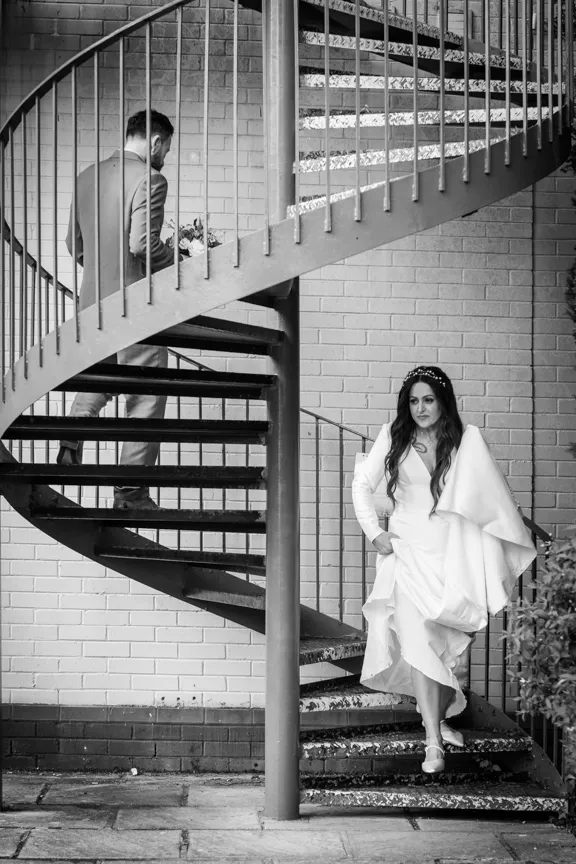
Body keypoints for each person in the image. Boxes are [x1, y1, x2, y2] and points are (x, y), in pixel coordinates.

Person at [352, 366, 536, 774]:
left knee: (441, 643)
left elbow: (488, 495)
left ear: (443, 401)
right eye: (414, 400)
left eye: (428, 400)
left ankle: (437, 719)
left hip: (449, 554)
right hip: (406, 553)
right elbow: (361, 486)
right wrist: (373, 533)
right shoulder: (393, 437)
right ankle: (434, 742)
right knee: (417, 643)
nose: (420, 408)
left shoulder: (464, 441)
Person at [58, 109, 179, 511]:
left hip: (92, 305)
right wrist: (181, 262)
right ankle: (130, 495)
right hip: (135, 308)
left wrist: (100, 274)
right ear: (156, 141)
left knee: (98, 377)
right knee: (146, 396)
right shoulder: (150, 178)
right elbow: (143, 246)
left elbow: (74, 245)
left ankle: (70, 439)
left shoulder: (87, 176)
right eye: (166, 148)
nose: (164, 156)